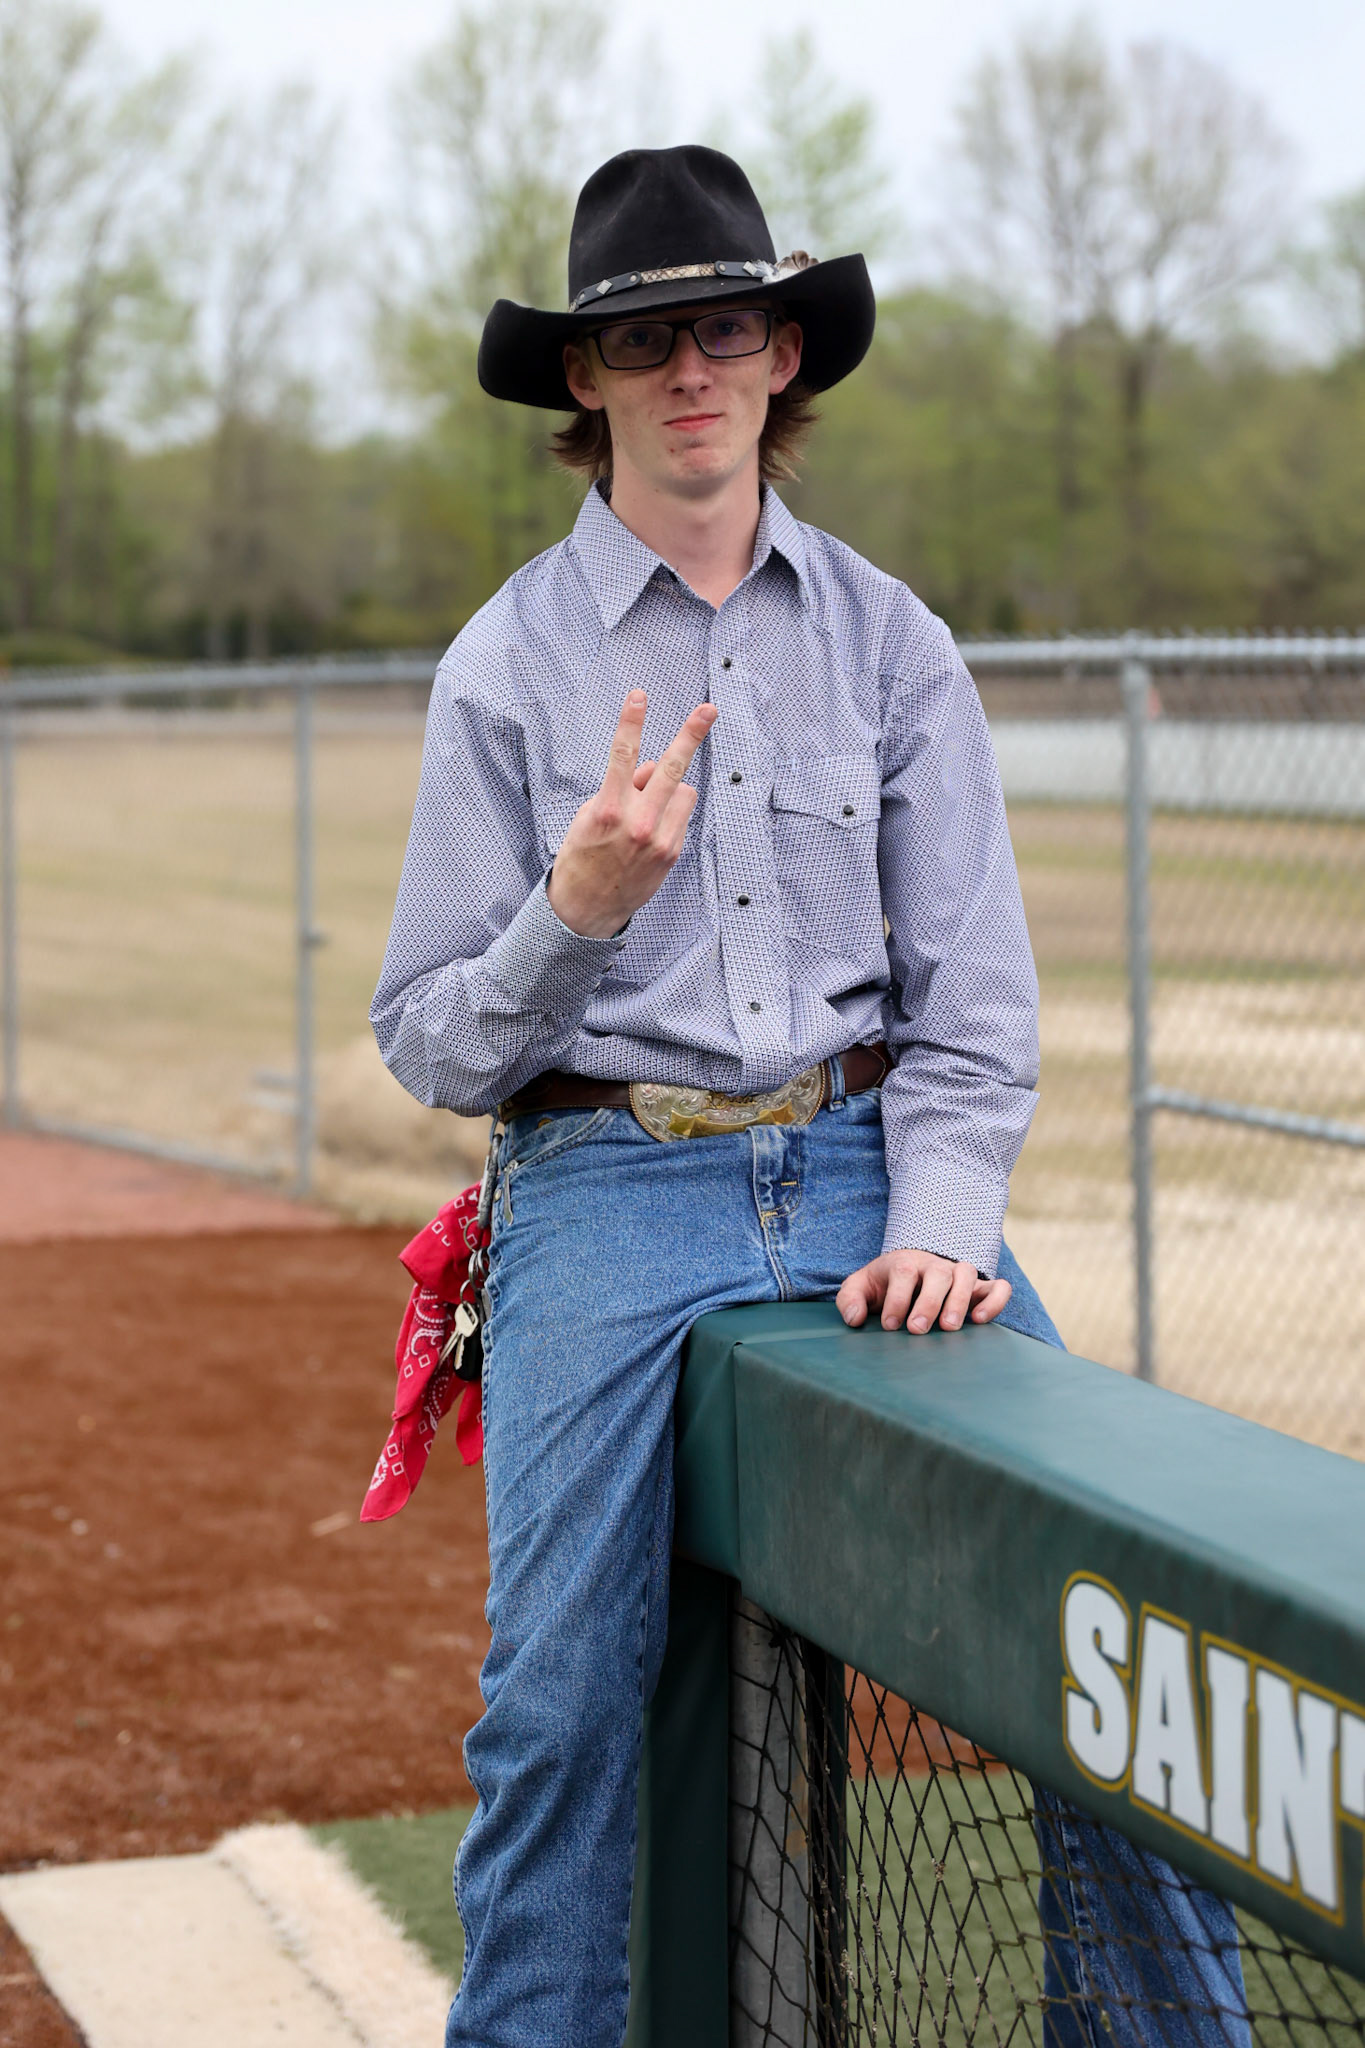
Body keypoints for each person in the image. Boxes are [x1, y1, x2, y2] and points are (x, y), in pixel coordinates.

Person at [371, 145, 1247, 2048]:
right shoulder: (505, 668)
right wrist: (570, 917)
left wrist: (941, 1219)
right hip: (610, 1187)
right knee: (558, 1706)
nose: (694, 368)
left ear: (783, 361)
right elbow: (432, 1044)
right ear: (583, 382)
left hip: (870, 1168)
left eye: (730, 329)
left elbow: (974, 1007)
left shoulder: (891, 642)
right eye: (647, 338)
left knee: (1123, 1633)